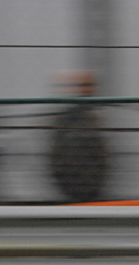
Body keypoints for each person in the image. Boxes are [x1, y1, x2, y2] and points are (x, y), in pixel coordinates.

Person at [48, 71, 108, 203]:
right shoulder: (72, 118)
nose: (92, 90)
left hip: (87, 186)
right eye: (86, 85)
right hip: (77, 186)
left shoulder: (91, 117)